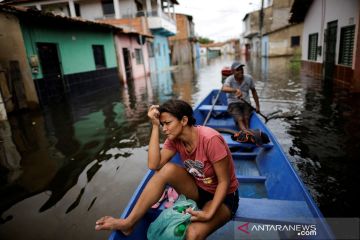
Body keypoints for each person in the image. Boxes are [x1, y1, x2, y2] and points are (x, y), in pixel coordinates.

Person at [95, 99, 239, 239]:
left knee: (192, 233)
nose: (165, 129)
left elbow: (224, 182)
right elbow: (154, 165)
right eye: (162, 124)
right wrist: (155, 126)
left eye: (168, 123)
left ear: (184, 120)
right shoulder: (174, 140)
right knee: (165, 170)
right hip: (198, 189)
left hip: (224, 197)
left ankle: (210, 213)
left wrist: (209, 213)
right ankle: (129, 223)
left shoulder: (210, 139)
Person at [222, 61, 260, 130]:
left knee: (246, 118)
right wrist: (236, 90)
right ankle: (246, 132)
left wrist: (257, 106)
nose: (240, 71)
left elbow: (254, 92)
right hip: (233, 102)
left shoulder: (249, 78)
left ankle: (247, 131)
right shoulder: (229, 79)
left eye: (241, 69)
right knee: (240, 118)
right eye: (237, 70)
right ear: (233, 72)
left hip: (246, 102)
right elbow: (224, 88)